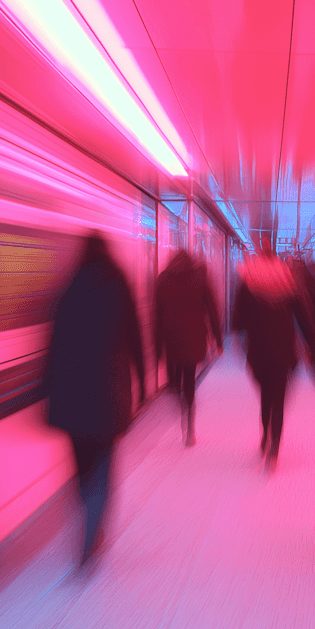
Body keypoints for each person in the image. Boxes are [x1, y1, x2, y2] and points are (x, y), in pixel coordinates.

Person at [44, 232, 145, 571]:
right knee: (104, 467)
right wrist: (143, 382)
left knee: (81, 471)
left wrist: (47, 391)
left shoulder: (69, 288)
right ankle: (92, 536)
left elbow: (52, 345)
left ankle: (85, 532)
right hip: (108, 393)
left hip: (71, 398)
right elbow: (133, 337)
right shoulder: (118, 284)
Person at [232, 248, 313, 470]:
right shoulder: (288, 283)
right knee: (279, 396)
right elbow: (303, 316)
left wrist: (238, 334)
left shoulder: (248, 283)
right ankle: (274, 445)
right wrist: (311, 344)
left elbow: (237, 316)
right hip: (283, 349)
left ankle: (265, 434)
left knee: (265, 394)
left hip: (258, 349)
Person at [154, 249, 222, 446]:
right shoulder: (200, 278)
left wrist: (157, 348)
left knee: (175, 376)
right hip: (193, 338)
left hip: (171, 339)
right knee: (190, 380)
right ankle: (189, 425)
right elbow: (213, 309)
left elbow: (157, 316)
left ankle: (178, 395)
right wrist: (218, 340)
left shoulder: (163, 279)